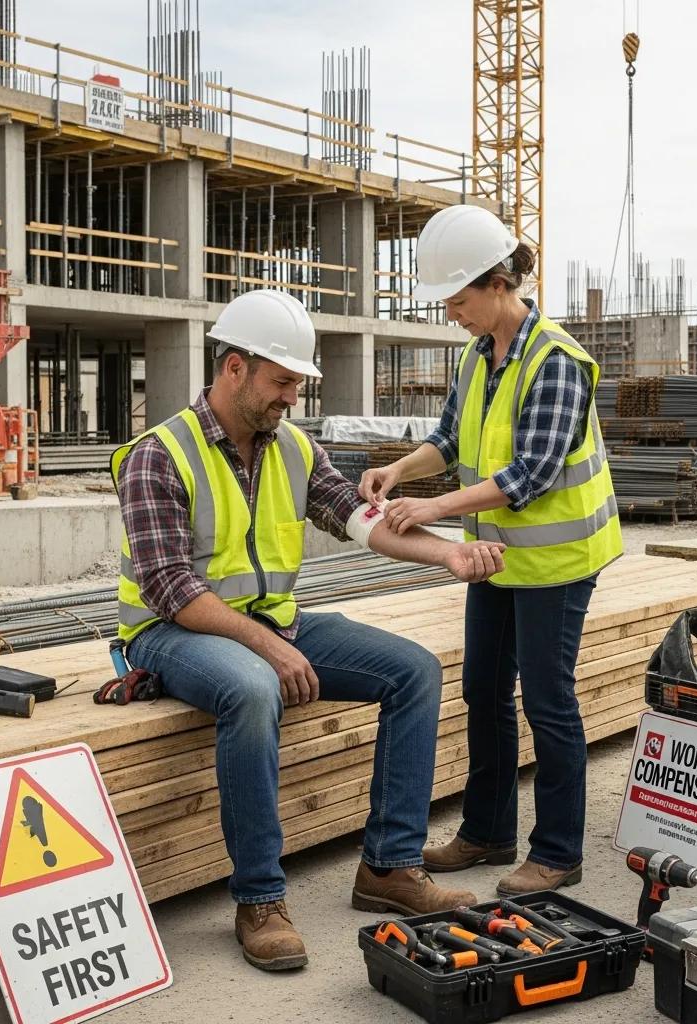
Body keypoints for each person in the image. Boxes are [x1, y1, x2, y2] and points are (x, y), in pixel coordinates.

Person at [112, 289, 507, 972]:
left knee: (413, 670)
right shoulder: (159, 454)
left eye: (298, 383)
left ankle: (389, 868)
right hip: (169, 632)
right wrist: (267, 645)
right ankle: (260, 899)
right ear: (234, 368)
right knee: (254, 688)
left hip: (270, 623)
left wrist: (446, 552)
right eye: (283, 380)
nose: (292, 396)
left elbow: (362, 519)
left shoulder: (292, 447)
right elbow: (172, 589)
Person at [358, 205, 622, 897]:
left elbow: (528, 476)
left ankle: (559, 850)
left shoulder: (557, 362)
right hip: (498, 560)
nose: (455, 316)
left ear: (499, 281)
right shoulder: (479, 358)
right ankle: (488, 831)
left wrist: (436, 508)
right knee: (483, 690)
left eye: (459, 301)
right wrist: (399, 472)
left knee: (547, 699)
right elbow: (447, 441)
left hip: (557, 564)